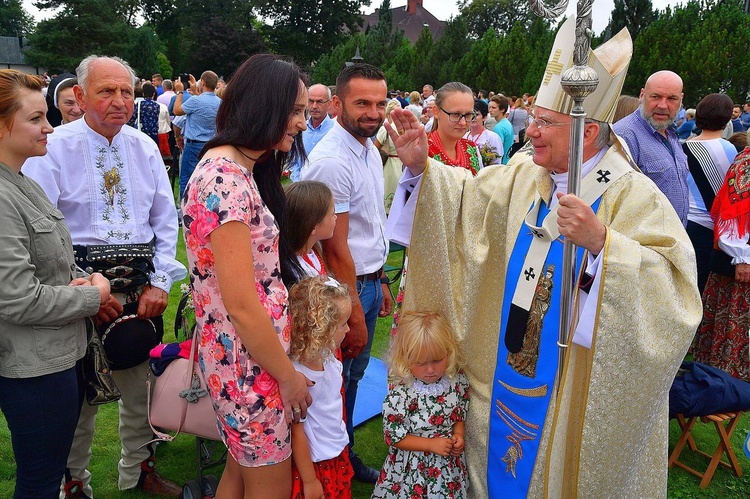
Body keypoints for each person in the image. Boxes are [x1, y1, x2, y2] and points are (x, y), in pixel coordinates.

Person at [384, 18, 701, 497]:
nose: (529, 131)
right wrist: (420, 167)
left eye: (545, 123)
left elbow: (676, 292)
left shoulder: (634, 198)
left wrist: (604, 246)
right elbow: (467, 198)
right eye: (532, 118)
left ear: (587, 131)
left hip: (569, 389)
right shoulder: (522, 176)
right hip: (504, 369)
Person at [22, 56, 185, 497]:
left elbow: (165, 222)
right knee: (77, 402)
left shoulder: (145, 146)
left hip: (140, 287)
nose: (119, 101)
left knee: (143, 389)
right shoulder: (53, 147)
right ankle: (73, 483)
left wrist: (160, 282)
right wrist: (87, 293)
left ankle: (138, 470)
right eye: (106, 91)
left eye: (126, 91)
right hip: (76, 288)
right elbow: (44, 231)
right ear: (79, 96)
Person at [181, 53, 312, 499]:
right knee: (266, 483)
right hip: (249, 366)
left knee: (238, 474)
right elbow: (240, 303)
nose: (301, 121)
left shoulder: (238, 169)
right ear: (264, 106)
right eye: (294, 110)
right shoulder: (225, 180)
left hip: (245, 361)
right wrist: (289, 377)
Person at [0, 69, 114, 499]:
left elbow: (37, 270)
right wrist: (92, 295)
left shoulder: (23, 182)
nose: (49, 126)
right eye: (34, 119)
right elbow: (17, 299)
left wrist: (70, 280)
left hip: (52, 359)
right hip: (34, 368)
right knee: (40, 482)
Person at [300, 63, 393, 484]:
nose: (373, 112)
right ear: (338, 104)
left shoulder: (368, 147)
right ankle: (334, 461)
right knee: (340, 377)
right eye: (362, 103)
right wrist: (353, 312)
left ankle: (340, 456)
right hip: (343, 290)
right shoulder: (334, 160)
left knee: (350, 375)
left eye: (380, 102)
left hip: (367, 282)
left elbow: (370, 227)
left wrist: (382, 280)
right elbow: (334, 250)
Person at [372, 311, 469, 498]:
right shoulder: (401, 394)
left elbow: (459, 413)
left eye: (437, 360)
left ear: (448, 353)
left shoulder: (456, 381)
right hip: (411, 468)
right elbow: (394, 437)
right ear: (405, 358)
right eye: (421, 363)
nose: (431, 369)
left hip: (446, 468)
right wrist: (431, 445)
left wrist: (458, 434)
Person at [288, 276, 354, 499]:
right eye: (342, 324)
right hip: (315, 463)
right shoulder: (298, 377)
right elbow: (297, 431)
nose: (347, 329)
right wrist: (309, 480)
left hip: (335, 451)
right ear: (321, 329)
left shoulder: (329, 359)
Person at [694, 145, 750, 382]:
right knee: (733, 323)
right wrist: (743, 258)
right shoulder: (745, 164)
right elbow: (730, 216)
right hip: (740, 261)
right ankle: (728, 375)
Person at [613, 70, 690, 226]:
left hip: (674, 237)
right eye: (655, 97)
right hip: (644, 242)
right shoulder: (624, 135)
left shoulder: (671, 132)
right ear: (642, 95)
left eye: (671, 99)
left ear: (680, 100)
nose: (662, 105)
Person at [683, 93, 737, 294]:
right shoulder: (729, 149)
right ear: (727, 118)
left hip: (686, 222)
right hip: (711, 226)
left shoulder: (684, 146)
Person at [173, 70, 221, 197]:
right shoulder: (220, 102)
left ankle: (184, 210)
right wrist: (196, 90)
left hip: (194, 145)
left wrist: (179, 92)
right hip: (211, 146)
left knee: (187, 179)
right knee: (207, 179)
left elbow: (177, 111)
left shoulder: (195, 101)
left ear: (203, 82)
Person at [284, 180, 338, 279]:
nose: (336, 217)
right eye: (332, 214)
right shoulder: (298, 271)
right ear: (313, 227)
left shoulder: (314, 252)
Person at [428, 82, 483, 175]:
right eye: (455, 114)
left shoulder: (472, 149)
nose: (463, 122)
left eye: (468, 115)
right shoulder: (423, 151)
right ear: (436, 112)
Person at [288, 83, 335, 182]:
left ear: (329, 103)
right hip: (300, 188)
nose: (314, 106)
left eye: (319, 102)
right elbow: (293, 160)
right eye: (310, 101)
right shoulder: (299, 129)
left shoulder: (335, 131)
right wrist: (298, 182)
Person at [375, 100, 406, 213]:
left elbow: (375, 148)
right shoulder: (406, 128)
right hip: (404, 164)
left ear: (388, 115)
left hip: (389, 165)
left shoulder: (386, 128)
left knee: (388, 189)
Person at [464, 99, 503, 166]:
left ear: (484, 117)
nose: (473, 118)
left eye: (476, 114)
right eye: (470, 114)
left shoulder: (492, 137)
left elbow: (497, 163)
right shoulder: (463, 136)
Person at [489, 95, 513, 164]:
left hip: (501, 164)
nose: (490, 110)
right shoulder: (507, 123)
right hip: (508, 160)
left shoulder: (499, 127)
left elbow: (497, 151)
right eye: (489, 107)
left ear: (502, 109)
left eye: (494, 108)